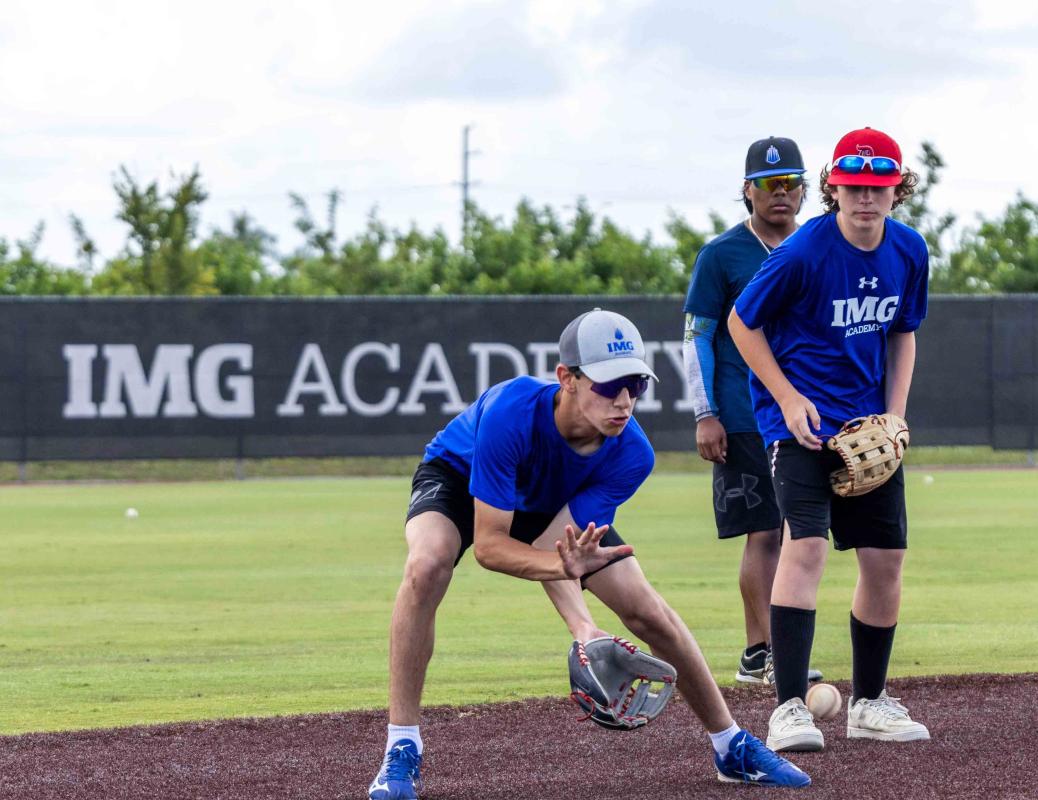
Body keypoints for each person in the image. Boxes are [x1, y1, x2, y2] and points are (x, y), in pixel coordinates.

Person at [366, 308, 810, 799]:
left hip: (552, 502)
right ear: (567, 379)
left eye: (635, 386)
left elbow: (560, 536)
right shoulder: (512, 412)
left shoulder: (632, 454)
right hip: (455, 476)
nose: (623, 401)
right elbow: (491, 545)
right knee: (427, 565)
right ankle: (401, 748)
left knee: (648, 613)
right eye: (607, 385)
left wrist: (582, 624)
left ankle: (731, 745)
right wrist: (566, 580)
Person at [728, 127, 931, 753]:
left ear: (898, 190)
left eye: (877, 186)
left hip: (868, 427)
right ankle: (788, 707)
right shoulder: (803, 253)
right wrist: (787, 399)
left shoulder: (909, 250)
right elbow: (741, 322)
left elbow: (902, 332)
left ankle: (869, 703)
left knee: (884, 560)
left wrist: (895, 416)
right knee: (807, 547)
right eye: (853, 185)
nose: (865, 198)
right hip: (803, 427)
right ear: (832, 187)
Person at [682, 136, 820, 686]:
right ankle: (763, 651)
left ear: (806, 189)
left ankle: (772, 652)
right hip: (741, 413)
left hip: (801, 414)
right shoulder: (722, 254)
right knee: (764, 532)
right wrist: (704, 412)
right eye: (768, 184)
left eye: (789, 182)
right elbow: (697, 336)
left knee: (797, 532)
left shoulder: (816, 245)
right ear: (748, 191)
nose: (780, 193)